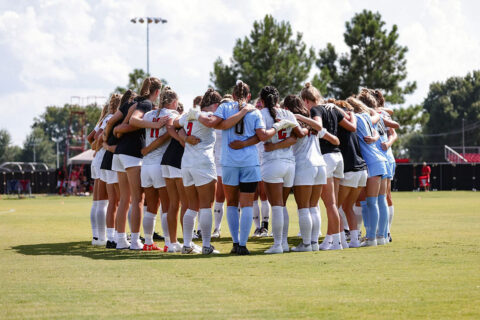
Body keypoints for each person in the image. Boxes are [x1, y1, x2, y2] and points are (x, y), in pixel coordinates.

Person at [195, 80, 293, 255]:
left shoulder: (224, 109)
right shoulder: (254, 111)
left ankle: (235, 243)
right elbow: (262, 136)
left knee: (232, 203)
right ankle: (242, 244)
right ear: (249, 96)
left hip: (229, 162)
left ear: (232, 95)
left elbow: (217, 124)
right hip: (250, 162)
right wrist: (273, 128)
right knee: (247, 204)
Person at [300, 83, 356, 250]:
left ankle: (337, 242)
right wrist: (340, 110)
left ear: (306, 100)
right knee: (335, 204)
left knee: (330, 204)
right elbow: (352, 127)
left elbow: (317, 125)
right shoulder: (331, 108)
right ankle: (337, 240)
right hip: (338, 157)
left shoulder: (316, 110)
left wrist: (300, 118)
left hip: (326, 158)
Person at [110, 77, 164, 249]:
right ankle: (134, 240)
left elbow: (120, 123)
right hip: (131, 154)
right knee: (137, 199)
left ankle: (120, 240)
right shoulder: (146, 104)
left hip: (119, 153)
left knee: (125, 199)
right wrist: (155, 125)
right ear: (157, 92)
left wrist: (115, 131)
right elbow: (134, 120)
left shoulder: (135, 101)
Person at [283, 95, 339, 251]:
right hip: (320, 165)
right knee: (314, 207)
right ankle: (313, 243)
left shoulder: (291, 121)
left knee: (303, 207)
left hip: (304, 165)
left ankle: (306, 244)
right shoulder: (311, 122)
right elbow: (334, 140)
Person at [176, 88, 223, 254]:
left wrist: (184, 137)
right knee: (205, 206)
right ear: (215, 105)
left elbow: (175, 125)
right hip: (203, 162)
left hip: (187, 162)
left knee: (191, 206)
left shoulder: (190, 114)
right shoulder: (208, 116)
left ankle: (187, 245)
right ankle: (206, 246)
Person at [350, 95, 385, 247]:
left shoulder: (355, 119)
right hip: (378, 159)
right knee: (374, 201)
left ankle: (371, 238)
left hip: (370, 162)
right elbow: (377, 116)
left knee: (369, 201)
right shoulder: (365, 116)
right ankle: (379, 236)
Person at [160, 88, 189, 253]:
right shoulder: (182, 121)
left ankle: (172, 243)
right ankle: (187, 242)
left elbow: (171, 130)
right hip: (177, 162)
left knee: (173, 204)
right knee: (185, 203)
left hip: (166, 161)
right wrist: (183, 139)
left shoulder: (172, 120)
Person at [87, 104, 109, 246]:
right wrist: (100, 144)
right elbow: (97, 138)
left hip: (97, 160)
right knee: (104, 202)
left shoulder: (103, 119)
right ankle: (102, 237)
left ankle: (97, 237)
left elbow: (91, 138)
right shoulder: (110, 119)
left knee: (97, 202)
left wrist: (96, 146)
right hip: (103, 160)